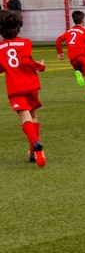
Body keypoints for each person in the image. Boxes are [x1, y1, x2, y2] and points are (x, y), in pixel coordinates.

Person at [0, 10, 47, 167]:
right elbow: (27, 61)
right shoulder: (26, 42)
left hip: (16, 87)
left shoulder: (1, 48)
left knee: (25, 118)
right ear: (19, 27)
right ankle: (34, 152)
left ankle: (35, 141)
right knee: (34, 117)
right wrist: (40, 66)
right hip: (31, 85)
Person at [56, 10, 85, 103]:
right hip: (82, 57)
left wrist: (60, 53)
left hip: (72, 59)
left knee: (80, 70)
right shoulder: (84, 32)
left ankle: (78, 72)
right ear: (83, 20)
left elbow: (58, 40)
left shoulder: (69, 31)